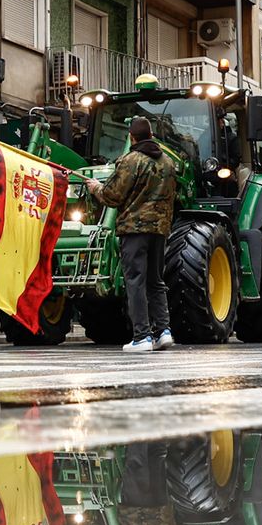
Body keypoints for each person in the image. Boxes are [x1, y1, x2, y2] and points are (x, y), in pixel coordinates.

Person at [74, 117, 175, 352]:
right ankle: (164, 331)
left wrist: (95, 187)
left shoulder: (130, 161)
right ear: (150, 135)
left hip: (134, 230)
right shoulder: (168, 162)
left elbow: (113, 196)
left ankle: (142, 336)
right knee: (156, 281)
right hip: (159, 230)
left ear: (131, 137)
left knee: (135, 281)